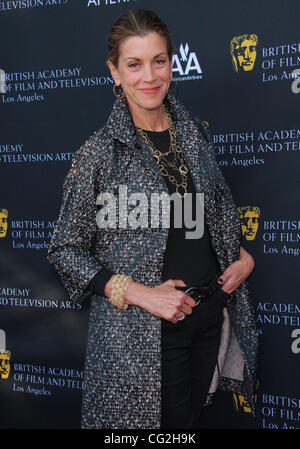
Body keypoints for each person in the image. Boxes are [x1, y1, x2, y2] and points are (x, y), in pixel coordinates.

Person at [47, 9, 258, 429]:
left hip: (206, 319)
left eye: (158, 61)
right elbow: (64, 251)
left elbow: (204, 216)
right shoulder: (100, 152)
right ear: (114, 72)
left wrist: (241, 256)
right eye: (134, 64)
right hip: (140, 336)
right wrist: (142, 293)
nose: (149, 76)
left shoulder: (193, 134)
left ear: (171, 63)